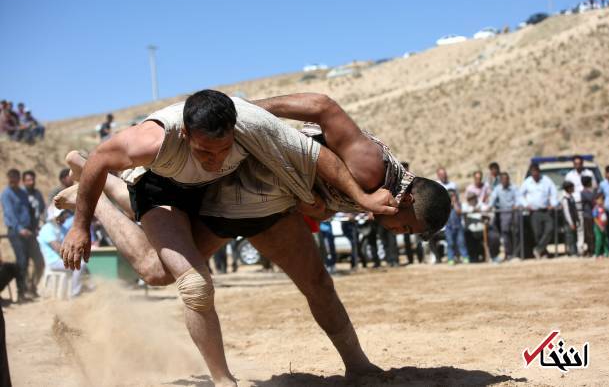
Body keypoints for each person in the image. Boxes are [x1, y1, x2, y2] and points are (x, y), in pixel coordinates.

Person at [57, 92, 450, 384]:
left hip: (269, 207)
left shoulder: (378, 188)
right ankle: (94, 192)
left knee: (318, 284)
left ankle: (358, 365)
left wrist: (315, 205)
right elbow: (323, 109)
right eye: (408, 228)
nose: (402, 235)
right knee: (161, 271)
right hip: (218, 195)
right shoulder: (368, 168)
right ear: (410, 201)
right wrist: (254, 110)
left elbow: (315, 182)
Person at [1, 169, 42, 301]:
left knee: (38, 261)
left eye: (15, 180)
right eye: (11, 181)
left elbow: (31, 211)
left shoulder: (23, 193)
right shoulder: (6, 194)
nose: (13, 183)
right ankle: (21, 293)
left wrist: (34, 226)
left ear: (19, 179)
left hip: (28, 231)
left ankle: (30, 288)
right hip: (16, 232)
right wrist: (19, 229)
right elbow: (10, 214)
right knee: (22, 262)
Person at [38, 206, 89, 297]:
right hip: (54, 261)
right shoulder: (47, 229)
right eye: (62, 215)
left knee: (85, 261)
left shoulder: (61, 228)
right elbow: (58, 249)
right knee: (80, 265)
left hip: (63, 259)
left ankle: (86, 288)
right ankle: (75, 293)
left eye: (63, 215)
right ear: (54, 217)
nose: (64, 217)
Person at [519, 163, 558, 259]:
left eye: (536, 171)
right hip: (534, 212)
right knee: (537, 233)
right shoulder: (527, 182)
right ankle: (543, 252)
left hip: (545, 210)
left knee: (550, 229)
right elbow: (519, 195)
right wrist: (526, 204)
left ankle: (539, 249)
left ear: (539, 171)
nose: (535, 174)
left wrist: (553, 204)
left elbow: (553, 192)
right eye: (533, 172)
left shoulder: (546, 180)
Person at [489, 172, 521, 260]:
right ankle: (509, 253)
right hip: (504, 212)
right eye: (502, 179)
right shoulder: (497, 189)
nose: (504, 181)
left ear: (508, 180)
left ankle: (517, 253)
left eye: (506, 179)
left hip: (514, 211)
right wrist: (490, 206)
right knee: (505, 232)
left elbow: (519, 198)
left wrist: (516, 205)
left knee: (516, 232)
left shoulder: (514, 188)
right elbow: (493, 199)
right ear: (500, 180)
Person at [445, 189, 469, 265]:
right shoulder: (445, 205)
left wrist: (455, 203)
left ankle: (465, 257)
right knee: (450, 243)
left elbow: (459, 212)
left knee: (461, 242)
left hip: (458, 227)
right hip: (449, 227)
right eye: (451, 196)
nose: (452, 197)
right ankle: (450, 258)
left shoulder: (458, 204)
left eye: (453, 195)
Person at [560, 181, 579, 257]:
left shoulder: (571, 197)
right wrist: (571, 223)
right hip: (569, 222)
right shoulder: (565, 199)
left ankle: (574, 251)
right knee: (570, 237)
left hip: (573, 220)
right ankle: (571, 252)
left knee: (574, 236)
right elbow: (567, 213)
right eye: (572, 187)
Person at [598, 165, 609, 252]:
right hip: (607, 211)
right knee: (608, 230)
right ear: (605, 174)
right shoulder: (602, 184)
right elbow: (599, 197)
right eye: (608, 173)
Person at [581, 176, 595, 256]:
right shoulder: (584, 192)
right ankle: (591, 250)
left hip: (592, 215)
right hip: (588, 216)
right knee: (589, 234)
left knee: (592, 233)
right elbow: (592, 199)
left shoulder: (589, 192)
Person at [592, 193, 609, 258]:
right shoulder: (595, 208)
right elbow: (595, 218)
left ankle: (607, 253)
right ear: (596, 200)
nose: (601, 201)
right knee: (599, 240)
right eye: (599, 199)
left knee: (605, 240)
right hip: (598, 227)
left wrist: (604, 225)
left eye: (602, 200)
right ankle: (597, 253)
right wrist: (600, 226)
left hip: (604, 226)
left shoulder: (603, 208)